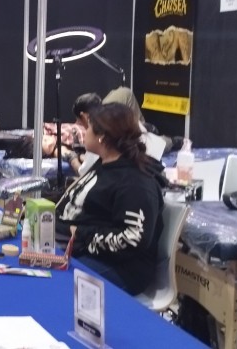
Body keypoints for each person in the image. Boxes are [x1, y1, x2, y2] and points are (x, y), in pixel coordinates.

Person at [55, 103, 165, 295]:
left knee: (55, 282)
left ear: (102, 137)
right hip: (85, 251)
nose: (84, 131)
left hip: (121, 269)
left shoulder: (135, 183)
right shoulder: (103, 164)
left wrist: (80, 233)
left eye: (88, 127)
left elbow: (133, 239)